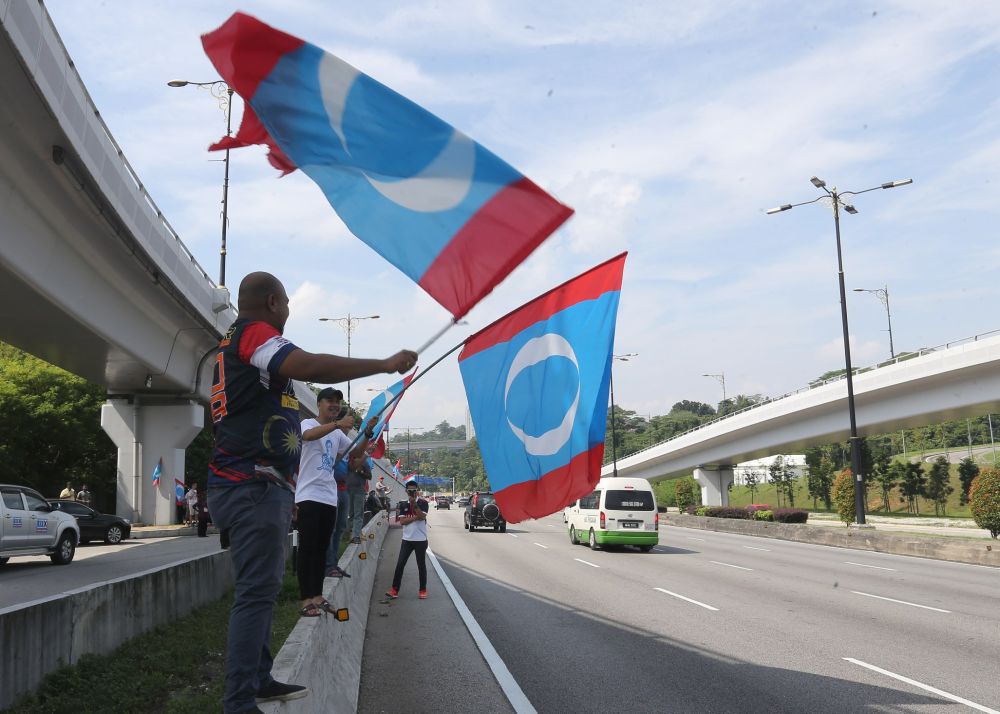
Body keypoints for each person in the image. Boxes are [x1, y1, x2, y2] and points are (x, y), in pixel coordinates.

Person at [207, 271, 415, 714]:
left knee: (259, 590)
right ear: (269, 301)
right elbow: (310, 365)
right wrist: (382, 364)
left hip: (251, 484)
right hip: (251, 483)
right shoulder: (253, 334)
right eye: (284, 302)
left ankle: (258, 679)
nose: (287, 311)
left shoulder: (230, 344)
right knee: (256, 593)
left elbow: (352, 456)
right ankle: (240, 700)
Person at [295, 388, 373, 617]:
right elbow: (308, 437)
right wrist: (339, 424)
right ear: (319, 403)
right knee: (307, 549)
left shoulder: (337, 434)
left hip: (329, 497)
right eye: (330, 400)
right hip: (308, 495)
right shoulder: (307, 424)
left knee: (321, 549)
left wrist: (367, 434)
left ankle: (318, 595)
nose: (335, 404)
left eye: (338, 401)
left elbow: (355, 454)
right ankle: (306, 600)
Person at [385, 476, 430, 600]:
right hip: (407, 540)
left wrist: (414, 504)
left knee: (421, 565)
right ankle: (394, 590)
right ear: (406, 491)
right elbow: (403, 522)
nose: (412, 492)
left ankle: (422, 590)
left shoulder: (423, 503)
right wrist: (416, 517)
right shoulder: (403, 504)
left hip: (420, 540)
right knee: (400, 565)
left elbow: (422, 516)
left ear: (417, 490)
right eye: (409, 490)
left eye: (414, 490)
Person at [346, 453, 371, 544]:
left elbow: (369, 476)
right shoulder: (347, 461)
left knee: (358, 514)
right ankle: (349, 535)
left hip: (359, 491)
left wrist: (361, 472)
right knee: (350, 514)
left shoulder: (364, 462)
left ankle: (356, 536)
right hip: (347, 491)